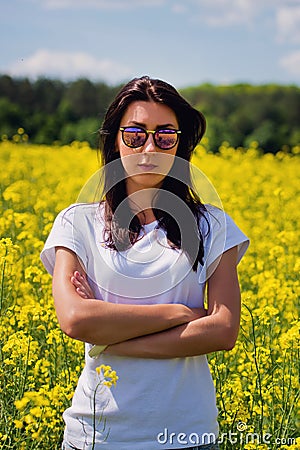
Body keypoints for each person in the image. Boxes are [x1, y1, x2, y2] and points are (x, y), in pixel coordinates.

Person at [41, 76, 249, 450]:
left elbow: (222, 331)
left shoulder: (213, 225)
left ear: (180, 144)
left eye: (165, 135)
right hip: (96, 435)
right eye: (135, 134)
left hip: (188, 436)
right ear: (115, 140)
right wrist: (182, 313)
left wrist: (111, 340)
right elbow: (75, 320)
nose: (149, 147)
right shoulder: (78, 223)